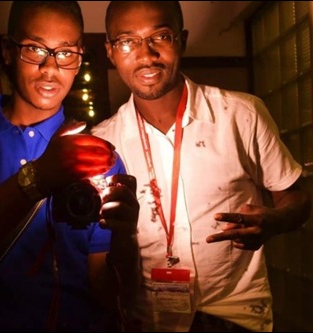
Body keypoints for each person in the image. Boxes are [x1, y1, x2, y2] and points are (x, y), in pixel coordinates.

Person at [0, 1, 140, 331]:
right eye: (35, 49)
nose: (50, 68)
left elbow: (107, 292)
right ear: (7, 50)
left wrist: (125, 238)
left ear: (78, 59)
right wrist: (38, 177)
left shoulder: (97, 157)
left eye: (65, 53)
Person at [91, 1, 312, 332]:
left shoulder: (241, 115)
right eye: (127, 41)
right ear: (110, 51)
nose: (146, 54)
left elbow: (297, 198)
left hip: (236, 315)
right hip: (152, 320)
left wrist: (274, 220)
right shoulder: (103, 144)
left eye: (160, 36)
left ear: (182, 39)